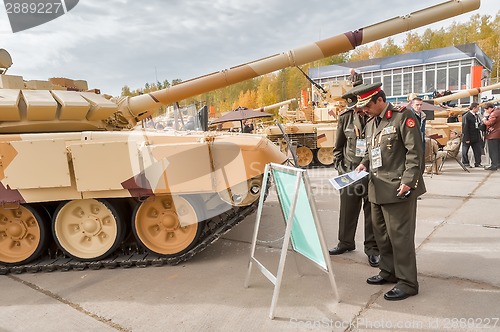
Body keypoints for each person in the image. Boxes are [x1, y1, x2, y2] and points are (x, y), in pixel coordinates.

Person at [352, 82, 426, 301]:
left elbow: (415, 152)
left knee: (400, 238)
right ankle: (389, 271)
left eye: (367, 105)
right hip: (377, 188)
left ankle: (408, 282)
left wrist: (409, 181)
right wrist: (364, 163)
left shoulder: (403, 117)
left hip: (398, 188)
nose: (363, 110)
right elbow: (374, 149)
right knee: (382, 236)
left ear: (380, 100)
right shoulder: (373, 121)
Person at [329, 92, 379, 268]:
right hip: (350, 173)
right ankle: (345, 242)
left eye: (359, 107)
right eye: (354, 108)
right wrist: (341, 169)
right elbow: (338, 147)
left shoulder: (375, 117)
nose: (358, 111)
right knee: (347, 211)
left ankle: (372, 249)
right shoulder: (345, 118)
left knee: (371, 213)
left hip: (372, 173)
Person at [461, 102, 483, 167]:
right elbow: (465, 127)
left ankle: (478, 163)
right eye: (477, 108)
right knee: (465, 151)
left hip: (475, 136)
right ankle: (465, 163)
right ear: (474, 108)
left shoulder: (476, 115)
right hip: (469, 136)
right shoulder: (467, 116)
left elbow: (477, 124)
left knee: (477, 151)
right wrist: (466, 138)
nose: (478, 109)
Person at [482, 104, 500, 170]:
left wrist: (484, 120)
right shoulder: (498, 111)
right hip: (498, 134)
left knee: (493, 151)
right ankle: (498, 164)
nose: (486, 112)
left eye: (486, 110)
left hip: (493, 135)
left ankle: (494, 165)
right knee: (498, 150)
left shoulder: (494, 114)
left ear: (490, 108)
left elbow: (489, 123)